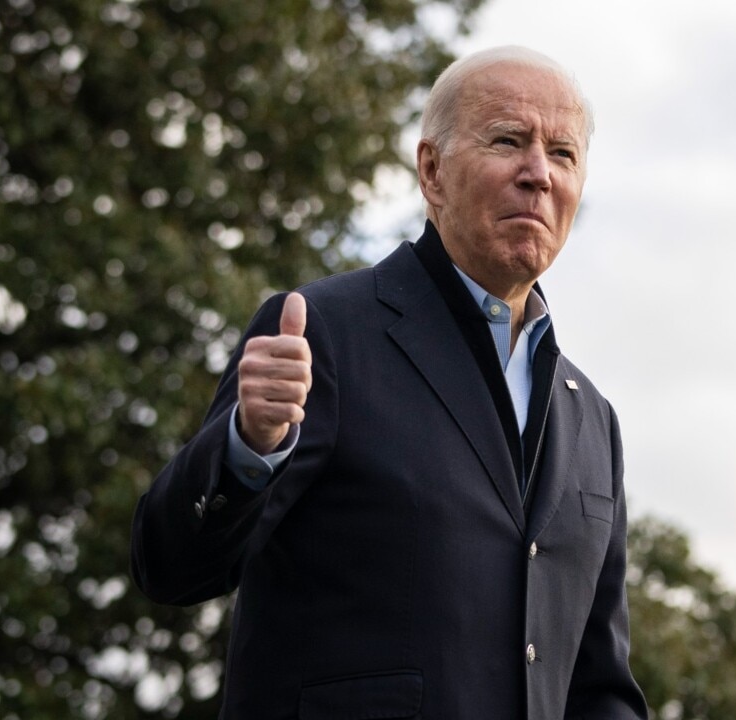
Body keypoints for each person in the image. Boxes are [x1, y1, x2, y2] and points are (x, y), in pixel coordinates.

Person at [131, 46, 648, 719]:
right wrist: (246, 446)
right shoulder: (324, 334)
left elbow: (598, 687)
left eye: (563, 154)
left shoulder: (592, 421)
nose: (538, 175)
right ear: (432, 171)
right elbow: (170, 567)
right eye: (508, 141)